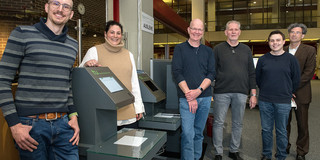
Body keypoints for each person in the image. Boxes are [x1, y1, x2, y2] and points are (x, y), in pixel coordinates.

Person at [0, 0, 80, 159]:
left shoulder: (73, 45)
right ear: (46, 7)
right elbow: (2, 81)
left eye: (66, 6)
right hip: (31, 127)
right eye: (56, 3)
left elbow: (66, 85)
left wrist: (74, 116)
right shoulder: (22, 34)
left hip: (64, 125)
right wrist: (14, 125)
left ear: (71, 14)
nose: (60, 9)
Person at [79, 20, 144, 128]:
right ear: (105, 34)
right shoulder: (94, 51)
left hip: (128, 113)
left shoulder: (129, 55)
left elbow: (134, 84)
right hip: (105, 114)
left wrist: (138, 107)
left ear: (121, 35)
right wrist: (86, 65)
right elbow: (80, 76)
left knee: (130, 144)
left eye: (118, 33)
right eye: (112, 32)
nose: (115, 36)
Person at [212, 20, 257, 160]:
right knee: (218, 123)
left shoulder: (246, 50)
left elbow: (251, 72)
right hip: (221, 92)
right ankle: (218, 152)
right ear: (226, 32)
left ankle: (234, 150)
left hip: (241, 92)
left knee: (238, 123)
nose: (233, 32)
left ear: (239, 32)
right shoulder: (218, 49)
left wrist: (253, 94)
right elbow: (212, 71)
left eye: (236, 29)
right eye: (230, 29)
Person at [172, 18, 215, 160]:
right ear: (189, 30)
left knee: (198, 133)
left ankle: (196, 157)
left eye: (200, 29)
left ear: (203, 32)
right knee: (187, 134)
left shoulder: (208, 51)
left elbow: (211, 73)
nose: (196, 32)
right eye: (194, 28)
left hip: (205, 97)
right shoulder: (179, 49)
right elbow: (177, 72)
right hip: (186, 98)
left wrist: (198, 91)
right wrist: (190, 95)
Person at [256, 30, 301, 160]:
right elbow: (258, 79)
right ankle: (266, 154)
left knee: (281, 131)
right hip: (265, 100)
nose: (275, 43)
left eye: (277, 40)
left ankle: (281, 155)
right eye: (272, 40)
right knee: (266, 130)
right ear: (269, 42)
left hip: (283, 101)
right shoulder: (263, 59)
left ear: (283, 42)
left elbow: (296, 79)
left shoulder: (291, 59)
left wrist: (288, 91)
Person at [284, 23, 316, 160]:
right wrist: (286, 89)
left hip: (301, 93)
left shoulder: (309, 50)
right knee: (283, 124)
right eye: (291, 32)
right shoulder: (283, 49)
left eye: (297, 32)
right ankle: (283, 146)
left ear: (302, 35)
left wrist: (291, 87)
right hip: (284, 94)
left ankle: (301, 152)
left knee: (302, 125)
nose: (294, 34)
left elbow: (308, 73)